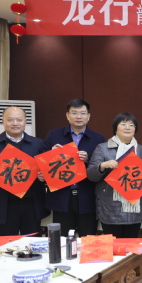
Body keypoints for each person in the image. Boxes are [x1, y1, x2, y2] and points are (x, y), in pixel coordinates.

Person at [0, 106, 48, 235]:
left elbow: (47, 171)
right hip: (3, 205)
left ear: (25, 121)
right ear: (3, 121)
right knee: (6, 242)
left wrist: (44, 176)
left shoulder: (38, 143)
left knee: (31, 241)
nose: (15, 123)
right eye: (10, 120)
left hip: (32, 204)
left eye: (19, 120)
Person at [41, 99, 105, 237]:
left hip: (87, 196)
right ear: (67, 115)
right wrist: (52, 154)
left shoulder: (98, 138)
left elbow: (102, 167)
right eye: (74, 113)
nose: (78, 116)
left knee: (87, 239)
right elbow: (41, 163)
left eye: (82, 113)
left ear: (88, 116)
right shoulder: (54, 135)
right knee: (62, 240)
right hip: (61, 196)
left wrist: (88, 160)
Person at [87, 113, 142, 238]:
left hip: (135, 207)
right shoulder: (103, 148)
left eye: (131, 125)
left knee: (131, 245)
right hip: (110, 207)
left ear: (135, 129)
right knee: (114, 245)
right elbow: (91, 175)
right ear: (115, 128)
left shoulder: (141, 150)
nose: (127, 127)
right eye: (123, 124)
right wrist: (103, 165)